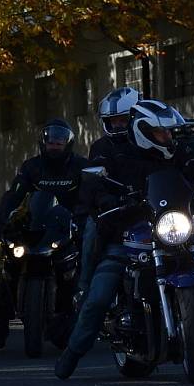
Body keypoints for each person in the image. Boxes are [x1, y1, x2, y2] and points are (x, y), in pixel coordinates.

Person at [55, 100, 194, 380]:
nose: (168, 137)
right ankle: (73, 352)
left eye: (168, 133)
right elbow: (95, 184)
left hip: (170, 228)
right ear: (144, 132)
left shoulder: (174, 151)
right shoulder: (113, 152)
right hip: (125, 234)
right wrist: (106, 200)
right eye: (162, 133)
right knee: (99, 296)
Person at [0, 119, 89, 349]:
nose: (54, 146)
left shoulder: (80, 166)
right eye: (51, 142)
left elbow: (91, 194)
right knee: (9, 270)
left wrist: (86, 216)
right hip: (35, 228)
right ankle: (0, 327)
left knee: (82, 268)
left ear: (68, 144)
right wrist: (3, 217)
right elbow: (15, 193)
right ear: (43, 144)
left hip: (68, 228)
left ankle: (82, 320)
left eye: (59, 142)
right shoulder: (31, 167)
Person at [76, 87, 142, 303]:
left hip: (148, 207)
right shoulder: (101, 147)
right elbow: (95, 175)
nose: (117, 125)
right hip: (113, 210)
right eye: (112, 120)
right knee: (91, 237)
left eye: (122, 119)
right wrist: (104, 198)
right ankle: (84, 291)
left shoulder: (148, 141)